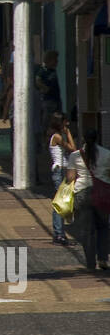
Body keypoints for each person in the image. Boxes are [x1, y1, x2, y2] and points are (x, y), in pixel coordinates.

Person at [68, 132, 110, 271]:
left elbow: (70, 178)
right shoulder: (106, 154)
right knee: (103, 227)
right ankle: (103, 259)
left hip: (82, 193)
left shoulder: (75, 155)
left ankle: (90, 263)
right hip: (103, 194)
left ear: (83, 139)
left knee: (87, 231)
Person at [48, 112, 76, 245]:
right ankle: (58, 233)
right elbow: (73, 149)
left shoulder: (56, 135)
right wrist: (69, 133)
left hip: (62, 170)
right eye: (65, 122)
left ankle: (60, 232)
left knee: (63, 202)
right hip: (59, 171)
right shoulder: (58, 137)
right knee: (59, 203)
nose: (68, 124)